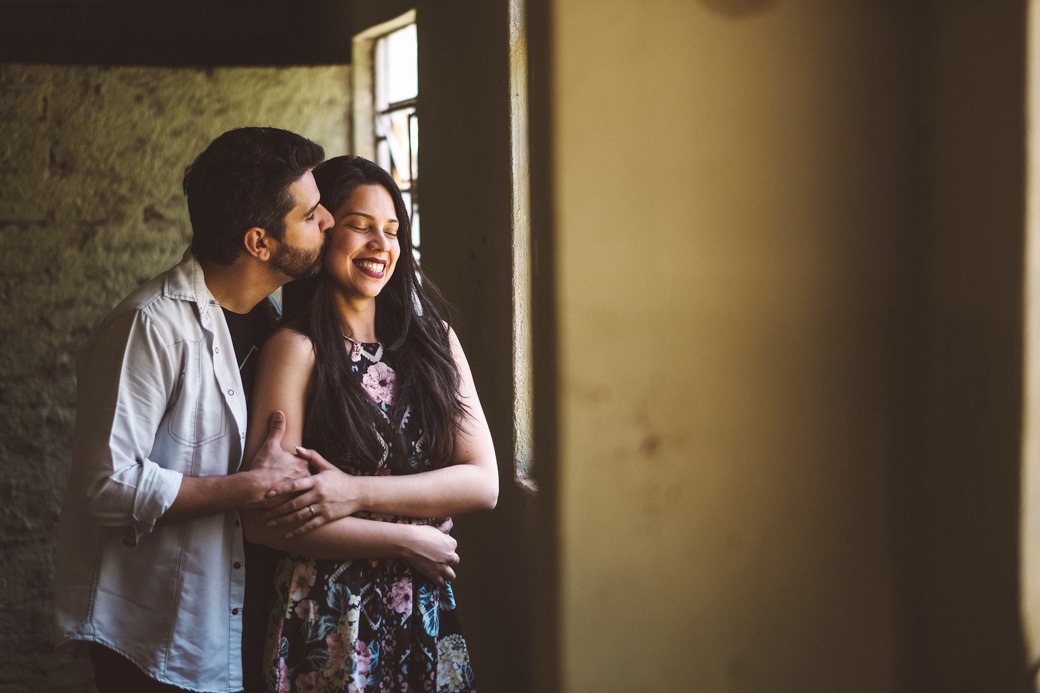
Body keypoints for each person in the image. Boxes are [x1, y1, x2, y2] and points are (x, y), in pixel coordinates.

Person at [53, 127, 336, 693]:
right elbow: (105, 485)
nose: (328, 221)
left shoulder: (273, 321)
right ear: (259, 242)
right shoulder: (150, 326)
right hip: (156, 638)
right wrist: (248, 488)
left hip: (242, 617)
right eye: (311, 215)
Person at [239, 155, 498, 693]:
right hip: (327, 616)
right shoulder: (295, 350)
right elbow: (263, 521)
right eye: (360, 226)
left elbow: (482, 482)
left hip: (422, 612)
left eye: (393, 231)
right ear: (325, 230)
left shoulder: (435, 341)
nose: (381, 245)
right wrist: (405, 542)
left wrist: (351, 492)